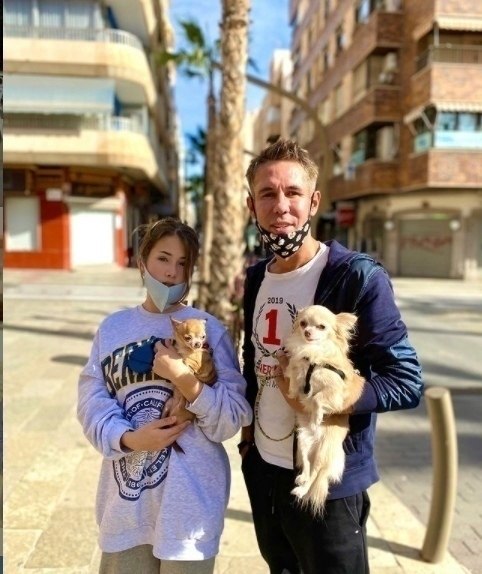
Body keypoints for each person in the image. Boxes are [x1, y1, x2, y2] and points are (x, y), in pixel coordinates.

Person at [239, 139, 423, 574]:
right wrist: (248, 444)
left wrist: (323, 398)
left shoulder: (357, 276)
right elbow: (253, 358)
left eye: (293, 192)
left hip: (328, 482)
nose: (281, 206)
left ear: (314, 201)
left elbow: (405, 380)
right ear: (251, 205)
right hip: (264, 472)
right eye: (267, 193)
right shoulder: (256, 278)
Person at [78, 217, 252, 574]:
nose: (172, 272)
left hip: (189, 514)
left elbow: (232, 418)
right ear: (142, 262)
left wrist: (185, 381)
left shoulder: (209, 330)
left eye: (183, 263)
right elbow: (91, 401)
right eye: (163, 258)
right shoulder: (113, 328)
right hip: (125, 510)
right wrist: (128, 438)